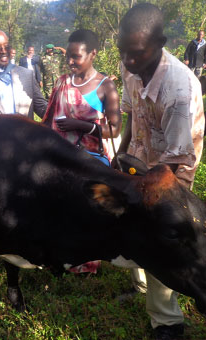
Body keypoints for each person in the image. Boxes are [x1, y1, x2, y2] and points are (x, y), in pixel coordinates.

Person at [117, 4, 204, 340]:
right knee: (134, 226)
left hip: (172, 167)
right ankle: (143, 290)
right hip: (140, 156)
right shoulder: (131, 67)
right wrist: (122, 153)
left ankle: (168, 322)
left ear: (161, 43)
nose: (128, 61)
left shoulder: (179, 89)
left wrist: (146, 182)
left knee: (160, 234)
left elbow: (176, 158)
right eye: (122, 52)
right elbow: (131, 114)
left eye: (136, 54)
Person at [41, 29, 121, 274]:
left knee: (87, 211)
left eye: (76, 56)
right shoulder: (62, 82)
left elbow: (115, 130)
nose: (71, 61)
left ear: (93, 54)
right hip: (61, 159)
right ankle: (60, 259)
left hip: (91, 162)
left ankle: (86, 263)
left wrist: (83, 126)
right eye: (69, 57)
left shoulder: (106, 87)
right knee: (61, 209)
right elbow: (48, 119)